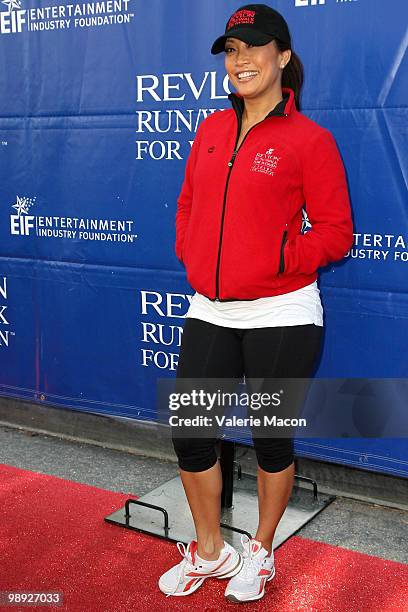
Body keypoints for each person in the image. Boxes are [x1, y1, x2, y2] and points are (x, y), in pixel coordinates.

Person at [158, 3, 353, 603]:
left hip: (283, 312)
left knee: (270, 437)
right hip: (212, 306)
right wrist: (191, 252)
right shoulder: (212, 131)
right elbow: (188, 202)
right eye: (231, 51)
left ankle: (261, 550)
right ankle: (211, 551)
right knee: (191, 432)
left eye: (254, 48)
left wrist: (275, 260)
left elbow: (335, 232)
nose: (241, 60)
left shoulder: (310, 140)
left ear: (283, 58)